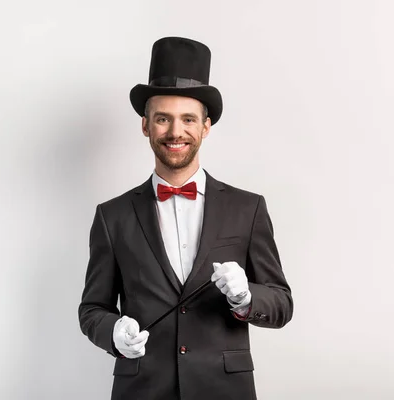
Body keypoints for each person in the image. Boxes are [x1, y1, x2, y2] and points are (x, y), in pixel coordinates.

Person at [78, 36, 293, 400]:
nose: (175, 132)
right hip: (142, 389)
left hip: (224, 389)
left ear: (205, 127)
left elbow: (281, 303)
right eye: (163, 118)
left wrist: (245, 297)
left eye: (188, 119)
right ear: (146, 126)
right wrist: (113, 331)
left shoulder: (248, 208)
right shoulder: (111, 216)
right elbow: (92, 309)